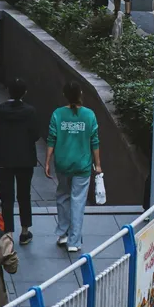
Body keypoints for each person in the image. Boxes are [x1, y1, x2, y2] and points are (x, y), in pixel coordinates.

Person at [45, 81, 100, 254]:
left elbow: (51, 139)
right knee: (78, 201)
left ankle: (63, 233)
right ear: (81, 94)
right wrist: (98, 164)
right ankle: (74, 241)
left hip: (62, 163)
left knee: (63, 196)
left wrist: (47, 161)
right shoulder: (89, 115)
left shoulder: (57, 114)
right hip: (82, 165)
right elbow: (94, 142)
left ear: (64, 95)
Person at [0, 78, 38, 245]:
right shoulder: (30, 111)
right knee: (24, 195)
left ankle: (8, 232)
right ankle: (25, 231)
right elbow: (36, 135)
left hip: (3, 159)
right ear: (25, 93)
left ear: (9, 91)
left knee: (6, 197)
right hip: (25, 159)